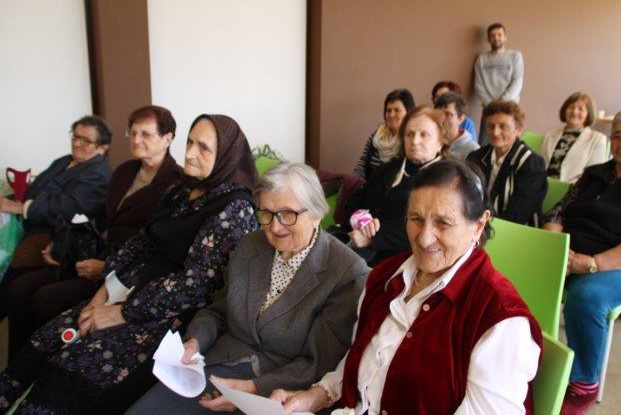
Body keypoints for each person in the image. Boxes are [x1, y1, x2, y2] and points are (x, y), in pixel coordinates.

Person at [0, 114, 259, 414]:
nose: (189, 153)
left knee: (70, 368)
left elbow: (195, 286)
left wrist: (121, 312)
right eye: (190, 142)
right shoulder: (179, 191)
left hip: (165, 315)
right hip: (124, 292)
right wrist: (100, 297)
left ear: (226, 156)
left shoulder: (234, 208)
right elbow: (140, 242)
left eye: (203, 147)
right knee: (45, 340)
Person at [272, 160, 542, 414]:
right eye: (416, 219)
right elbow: (358, 360)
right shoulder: (386, 276)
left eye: (443, 223)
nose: (424, 238)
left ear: (479, 225)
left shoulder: (499, 319)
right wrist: (315, 395)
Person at [127, 162, 368, 414]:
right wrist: (195, 342)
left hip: (276, 390)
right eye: (267, 213)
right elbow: (218, 311)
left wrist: (254, 388)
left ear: (317, 213)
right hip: (214, 363)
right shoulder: (250, 245)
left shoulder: (346, 272)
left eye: (287, 214)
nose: (275, 227)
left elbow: (318, 363)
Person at [5, 105, 183, 359]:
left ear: (168, 138)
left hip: (126, 273)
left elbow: (157, 246)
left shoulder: (176, 183)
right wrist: (63, 246)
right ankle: (16, 366)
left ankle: (43, 362)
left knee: (46, 298)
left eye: (145, 134)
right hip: (95, 254)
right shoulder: (125, 171)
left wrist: (106, 265)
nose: (136, 140)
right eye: (133, 133)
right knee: (20, 288)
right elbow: (100, 219)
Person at [543, 106, 621, 414]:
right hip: (572, 254)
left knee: (587, 297)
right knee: (520, 275)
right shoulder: (595, 173)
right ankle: (530, 360)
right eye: (617, 136)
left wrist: (591, 264)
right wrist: (556, 249)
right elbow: (558, 211)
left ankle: (584, 382)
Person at [0, 116, 113, 321]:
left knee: (12, 287)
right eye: (75, 136)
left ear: (103, 147)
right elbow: (33, 191)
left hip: (57, 240)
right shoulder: (64, 161)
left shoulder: (99, 173)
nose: (77, 143)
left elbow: (68, 208)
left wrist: (22, 208)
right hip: (34, 229)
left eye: (86, 140)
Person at [343, 105, 446, 266]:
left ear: (440, 142)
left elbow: (425, 226)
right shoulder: (388, 168)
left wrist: (372, 238)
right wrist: (359, 221)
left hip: (401, 259)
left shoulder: (445, 181)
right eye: (409, 134)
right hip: (355, 243)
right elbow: (353, 202)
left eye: (424, 135)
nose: (415, 141)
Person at [467, 100, 547, 226]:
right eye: (490, 126)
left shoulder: (532, 164)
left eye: (503, 126)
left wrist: (484, 226)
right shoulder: (476, 157)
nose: (495, 132)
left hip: (515, 230)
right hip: (478, 224)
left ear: (518, 130)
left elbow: (519, 214)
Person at [539, 92, 608, 183]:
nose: (574, 111)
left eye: (580, 109)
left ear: (588, 114)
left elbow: (593, 175)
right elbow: (539, 166)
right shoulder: (549, 135)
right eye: (571, 107)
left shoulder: (597, 139)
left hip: (574, 189)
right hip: (543, 186)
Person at [474, 23, 524, 145]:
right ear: (488, 39)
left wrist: (502, 103)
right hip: (488, 108)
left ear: (505, 37)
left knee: (510, 143)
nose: (496, 38)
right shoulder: (481, 59)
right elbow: (478, 85)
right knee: (484, 145)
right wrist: (491, 105)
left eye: (499, 35)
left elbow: (517, 81)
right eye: (492, 35)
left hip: (510, 108)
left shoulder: (515, 56)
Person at [353, 89, 416, 180]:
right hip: (370, 186)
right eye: (388, 110)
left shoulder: (412, 139)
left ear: (408, 112)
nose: (391, 115)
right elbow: (362, 163)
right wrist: (355, 180)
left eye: (397, 110)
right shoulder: (377, 135)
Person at [434, 91, 479, 160]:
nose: (441, 118)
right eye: (438, 113)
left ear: (461, 118)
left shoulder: (472, 150)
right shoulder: (430, 141)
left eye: (448, 114)